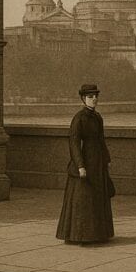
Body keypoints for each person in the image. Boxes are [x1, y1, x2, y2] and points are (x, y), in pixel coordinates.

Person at [56, 84, 114, 244]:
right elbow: (74, 143)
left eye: (95, 96)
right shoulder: (78, 118)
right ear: (83, 99)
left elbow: (101, 140)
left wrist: (107, 160)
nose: (94, 99)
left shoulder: (97, 117)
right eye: (90, 97)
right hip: (86, 163)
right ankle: (81, 236)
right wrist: (80, 166)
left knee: (97, 197)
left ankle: (99, 234)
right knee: (83, 199)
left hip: (98, 163)